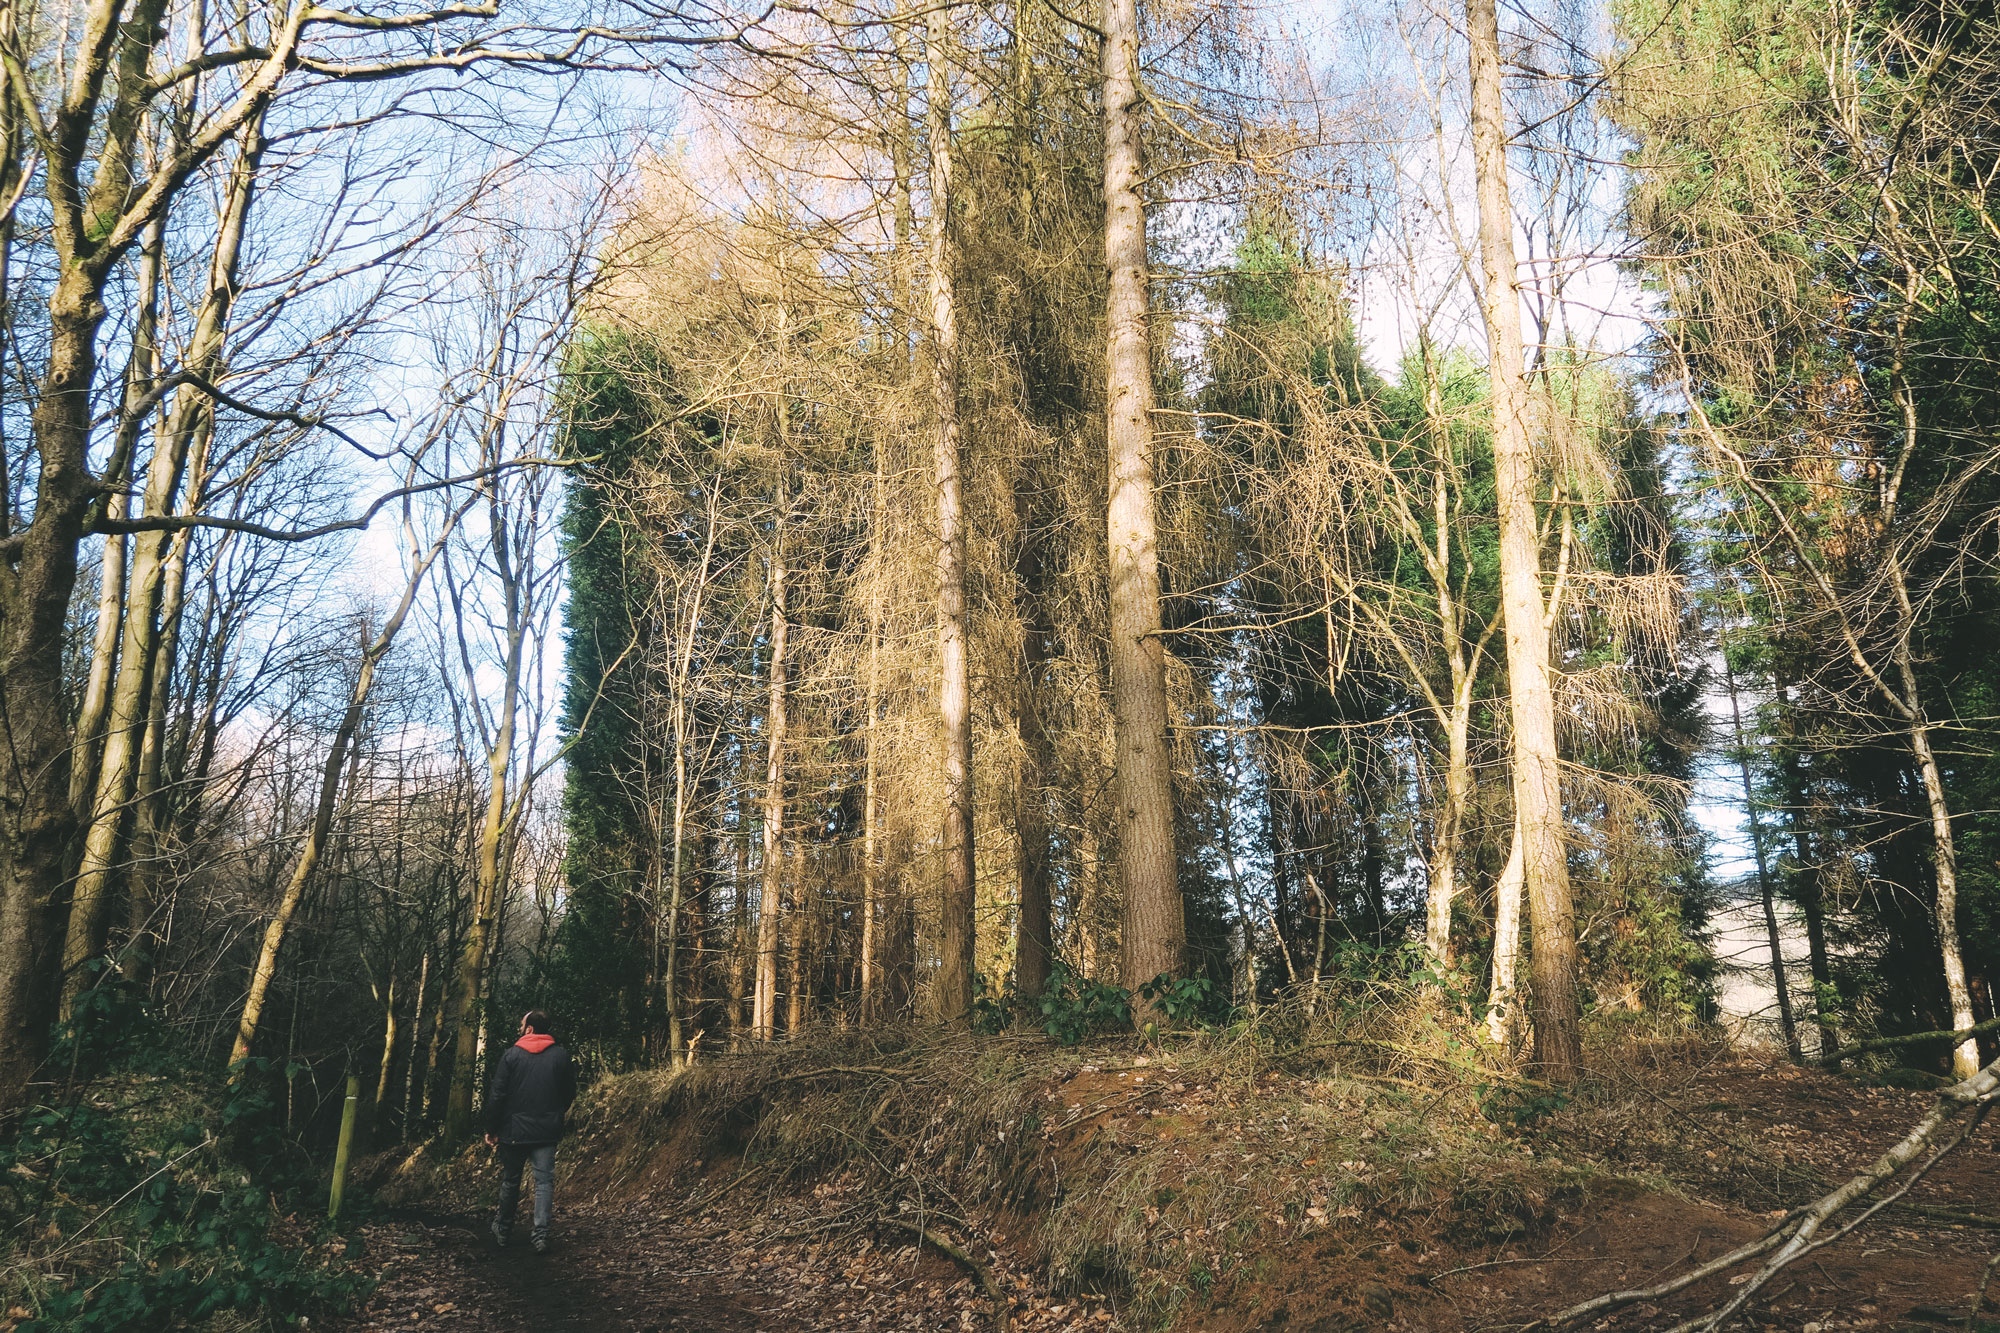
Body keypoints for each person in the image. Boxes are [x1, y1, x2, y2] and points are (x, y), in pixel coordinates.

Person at [485, 1010, 577, 1253]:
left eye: (521, 1024)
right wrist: (556, 1113)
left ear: (529, 1029)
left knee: (510, 1181)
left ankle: (503, 1230)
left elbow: (497, 1095)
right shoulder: (560, 1055)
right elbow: (569, 1092)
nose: (519, 1027)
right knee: (544, 1182)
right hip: (547, 1129)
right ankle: (540, 1236)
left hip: (513, 1129)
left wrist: (491, 1128)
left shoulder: (511, 1055)